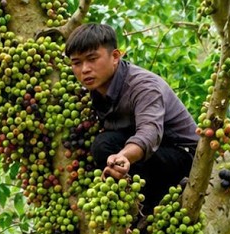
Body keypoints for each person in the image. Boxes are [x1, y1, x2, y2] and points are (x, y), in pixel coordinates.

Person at [66, 23, 198, 214]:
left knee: (104, 146)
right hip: (151, 155)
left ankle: (151, 206)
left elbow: (149, 132)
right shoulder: (92, 91)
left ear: (115, 57)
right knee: (102, 144)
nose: (85, 69)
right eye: (76, 63)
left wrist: (123, 156)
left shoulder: (143, 86)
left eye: (92, 59)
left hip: (184, 159)